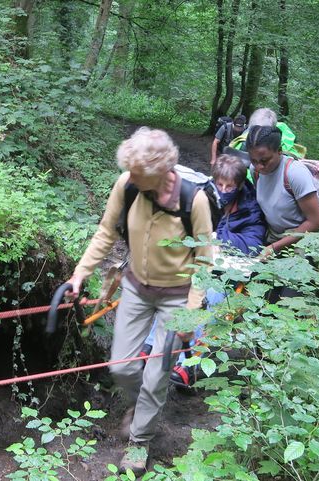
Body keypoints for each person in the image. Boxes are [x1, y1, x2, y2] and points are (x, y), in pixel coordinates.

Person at [66, 127, 213, 476]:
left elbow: (205, 264)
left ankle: (139, 441)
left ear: (162, 171)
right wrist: (79, 274)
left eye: (137, 172)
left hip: (177, 298)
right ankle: (139, 406)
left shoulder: (195, 201)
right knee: (122, 367)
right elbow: (106, 232)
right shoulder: (128, 185)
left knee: (156, 374)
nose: (129, 177)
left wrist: (190, 317)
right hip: (135, 287)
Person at [141, 154, 266, 387]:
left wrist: (218, 239)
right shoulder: (206, 197)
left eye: (230, 186)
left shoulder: (251, 209)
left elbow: (253, 244)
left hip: (229, 274)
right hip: (200, 263)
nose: (224, 189)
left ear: (240, 186)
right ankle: (150, 346)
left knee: (209, 299)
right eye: (220, 184)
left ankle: (191, 363)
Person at [246, 125, 319, 257]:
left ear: (279, 151)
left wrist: (274, 247)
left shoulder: (295, 173)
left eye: (264, 160)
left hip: (303, 234)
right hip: (274, 233)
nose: (259, 166)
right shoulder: (255, 171)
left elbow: (317, 221)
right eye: (253, 160)